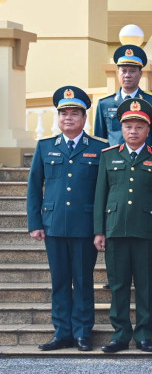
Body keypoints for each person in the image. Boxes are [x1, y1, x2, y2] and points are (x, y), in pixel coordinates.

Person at [26, 86, 107, 352]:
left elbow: (103, 192)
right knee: (59, 281)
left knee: (83, 281)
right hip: (54, 226)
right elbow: (34, 187)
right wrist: (35, 223)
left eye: (74, 113)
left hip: (85, 227)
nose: (68, 117)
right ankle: (62, 332)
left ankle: (83, 332)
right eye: (63, 113)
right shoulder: (45, 146)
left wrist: (100, 228)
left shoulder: (99, 148)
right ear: (58, 117)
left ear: (84, 118)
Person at [93, 98, 152, 353]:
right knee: (118, 285)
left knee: (145, 286)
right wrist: (99, 230)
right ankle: (120, 334)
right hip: (115, 229)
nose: (133, 131)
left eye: (139, 127)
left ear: (148, 130)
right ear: (121, 129)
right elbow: (100, 195)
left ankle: (144, 334)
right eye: (128, 127)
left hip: (146, 231)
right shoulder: (109, 156)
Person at [94, 45, 152, 150]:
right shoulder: (104, 104)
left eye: (132, 71)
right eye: (123, 71)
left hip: (144, 158)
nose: (127, 75)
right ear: (118, 73)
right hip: (114, 158)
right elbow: (99, 140)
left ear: (140, 73)